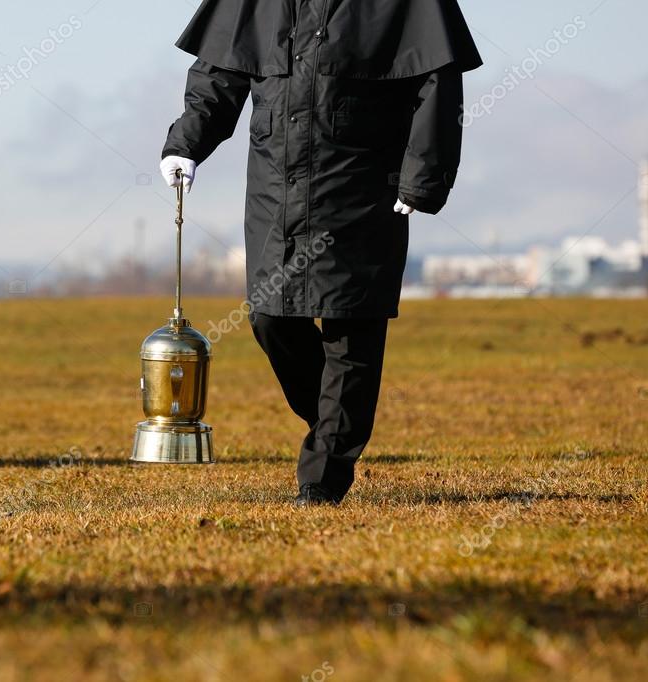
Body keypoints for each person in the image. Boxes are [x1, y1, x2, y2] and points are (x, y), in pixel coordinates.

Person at [160, 0, 482, 506]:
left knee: (352, 330)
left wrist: (423, 177)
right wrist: (185, 143)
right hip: (275, 189)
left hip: (362, 186)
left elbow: (438, 81)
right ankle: (337, 423)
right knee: (270, 318)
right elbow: (220, 72)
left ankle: (323, 479)